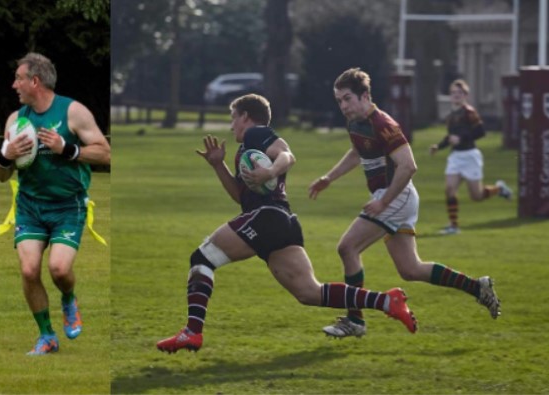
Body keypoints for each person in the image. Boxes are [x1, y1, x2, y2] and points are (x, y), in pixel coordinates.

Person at [156, 94, 417, 354]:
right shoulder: (248, 148)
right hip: (279, 220)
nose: (231, 125)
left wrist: (270, 172)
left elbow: (287, 155)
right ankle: (386, 301)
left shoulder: (256, 134)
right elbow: (241, 197)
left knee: (202, 257)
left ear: (246, 116)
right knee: (309, 293)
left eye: (233, 118)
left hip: (267, 216)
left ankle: (192, 333)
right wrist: (218, 165)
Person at [308, 68, 501, 339]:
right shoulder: (355, 122)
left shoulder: (384, 124)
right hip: (393, 199)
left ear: (365, 96)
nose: (343, 106)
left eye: (347, 99)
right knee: (410, 269)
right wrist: (329, 178)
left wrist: (384, 201)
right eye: (339, 100)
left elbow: (409, 166)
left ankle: (355, 320)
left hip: (396, 197)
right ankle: (477, 287)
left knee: (347, 247)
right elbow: (356, 152)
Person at [0, 53, 110, 355]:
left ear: (34, 81)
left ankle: (68, 298)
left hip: (67, 207)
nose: (13, 84)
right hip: (31, 207)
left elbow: (105, 153)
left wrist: (67, 149)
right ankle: (47, 336)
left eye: (19, 78)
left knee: (59, 269)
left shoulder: (73, 112)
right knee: (29, 270)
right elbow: (0, 176)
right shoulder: (16, 121)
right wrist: (6, 156)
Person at [429, 79, 512, 235]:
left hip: (470, 156)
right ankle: (453, 226)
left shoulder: (469, 112)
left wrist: (461, 138)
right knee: (449, 189)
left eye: (459, 93)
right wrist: (438, 147)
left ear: (465, 95)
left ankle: (499, 188)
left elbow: (480, 132)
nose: (456, 96)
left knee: (477, 196)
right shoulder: (451, 115)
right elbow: (450, 137)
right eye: (453, 93)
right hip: (455, 157)